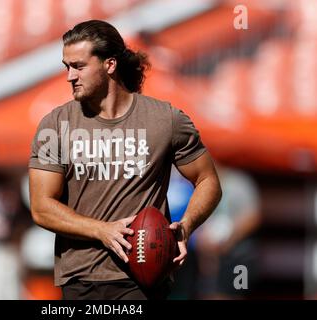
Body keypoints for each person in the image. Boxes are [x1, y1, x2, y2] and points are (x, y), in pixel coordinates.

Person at [28, 20, 222, 300]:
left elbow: (208, 180)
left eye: (79, 66)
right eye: (66, 67)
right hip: (80, 278)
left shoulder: (166, 120)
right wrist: (102, 230)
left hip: (143, 275)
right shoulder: (55, 124)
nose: (70, 76)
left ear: (110, 64)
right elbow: (41, 207)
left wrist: (187, 226)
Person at [194, 165, 261, 299]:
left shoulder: (239, 183)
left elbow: (254, 217)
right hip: (211, 258)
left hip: (240, 257)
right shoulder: (202, 185)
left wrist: (230, 239)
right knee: (209, 293)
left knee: (236, 293)